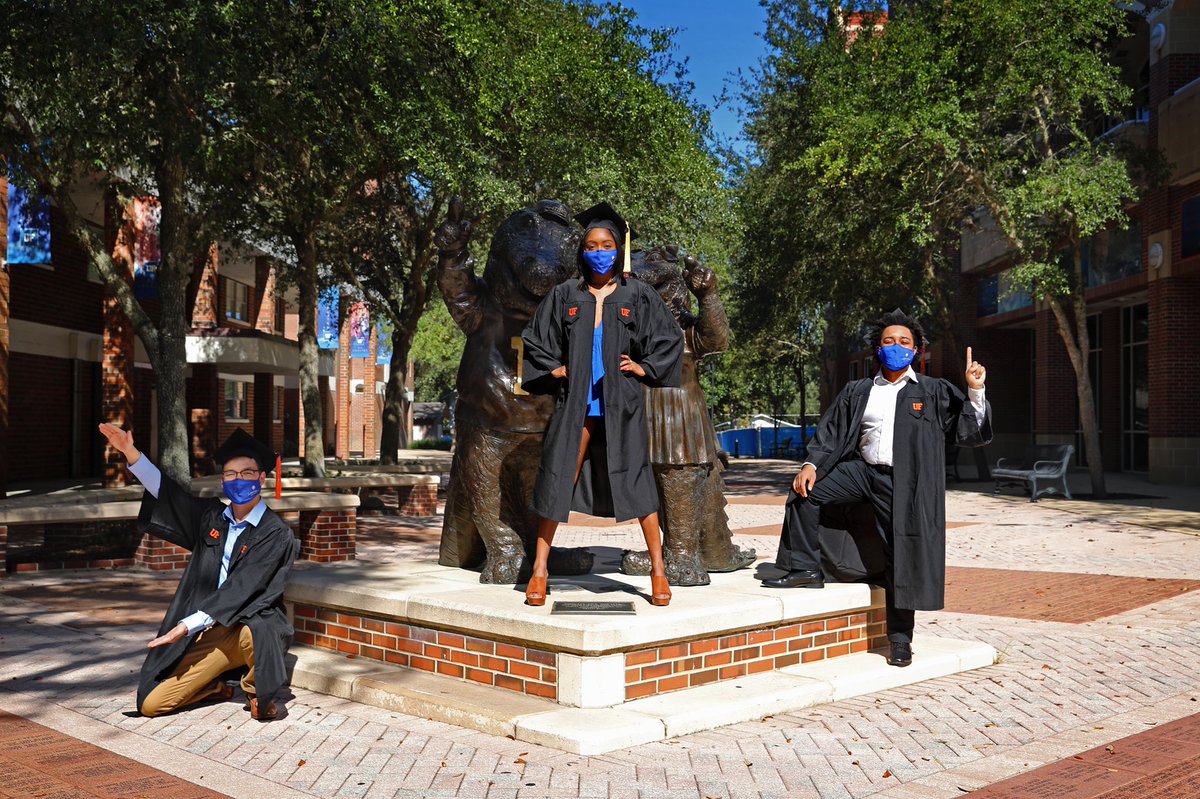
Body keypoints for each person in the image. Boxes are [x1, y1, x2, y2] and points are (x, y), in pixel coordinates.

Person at [762, 309, 992, 668]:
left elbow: (969, 433)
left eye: (904, 342)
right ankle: (805, 568)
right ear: (877, 349)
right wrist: (810, 465)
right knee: (806, 491)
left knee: (903, 558)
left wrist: (975, 390)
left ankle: (900, 640)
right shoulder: (859, 391)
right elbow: (832, 432)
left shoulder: (931, 391)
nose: (896, 347)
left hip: (907, 485)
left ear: (916, 351)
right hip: (863, 472)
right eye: (888, 341)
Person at [521, 201, 684, 607]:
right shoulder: (566, 295)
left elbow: (669, 339)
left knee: (639, 482)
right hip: (576, 402)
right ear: (582, 250)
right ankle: (539, 570)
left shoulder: (637, 294)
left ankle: (658, 572)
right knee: (558, 477)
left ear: (618, 248)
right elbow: (535, 339)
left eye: (606, 244)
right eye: (592, 244)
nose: (599, 251)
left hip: (621, 401)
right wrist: (556, 371)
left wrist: (644, 368)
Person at [98, 424, 299, 719]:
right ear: (223, 480)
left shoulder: (275, 533)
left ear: (262, 478)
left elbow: (244, 586)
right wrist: (130, 451)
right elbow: (169, 495)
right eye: (230, 474)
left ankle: (258, 693)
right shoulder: (211, 517)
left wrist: (187, 624)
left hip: (246, 628)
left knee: (258, 633)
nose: (238, 480)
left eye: (247, 473)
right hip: (209, 634)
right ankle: (215, 687)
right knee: (151, 705)